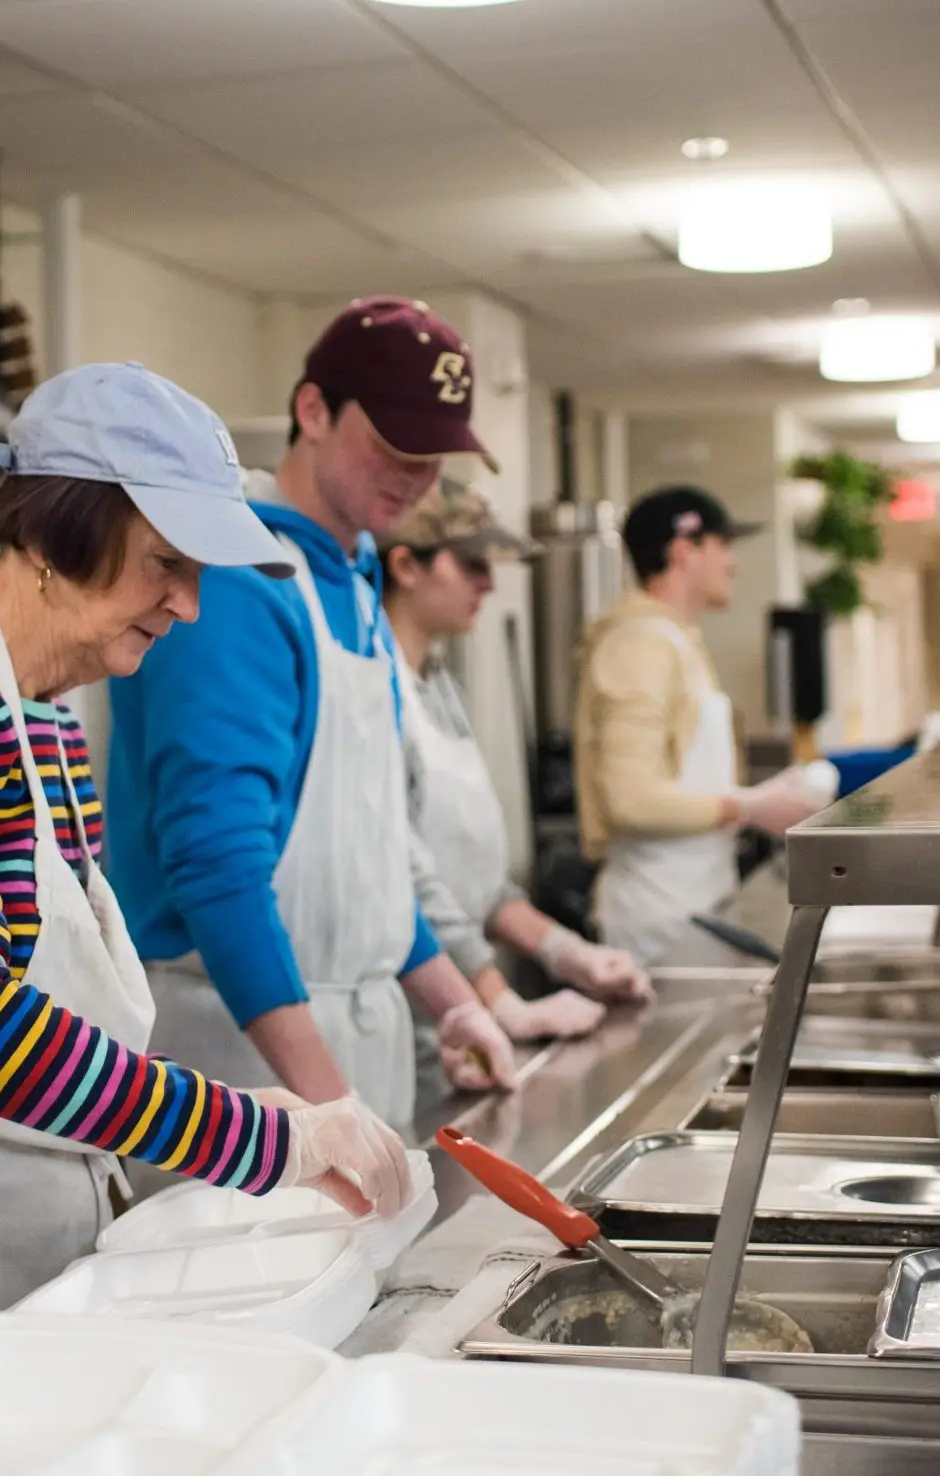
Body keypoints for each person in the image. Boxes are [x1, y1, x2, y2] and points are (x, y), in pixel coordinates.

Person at [0, 364, 413, 1409]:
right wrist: (263, 1133)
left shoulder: (49, 723)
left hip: (12, 1220)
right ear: (60, 534)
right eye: (167, 564)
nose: (190, 607)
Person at [107, 298, 520, 1132]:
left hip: (349, 1035)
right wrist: (327, 1106)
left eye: (434, 454)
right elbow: (217, 868)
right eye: (394, 443)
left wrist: (458, 1001)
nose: (416, 473)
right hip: (241, 1055)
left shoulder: (354, 573)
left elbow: (360, 860)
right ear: (312, 411)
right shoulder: (235, 576)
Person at [381, 483, 652, 1049]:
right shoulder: (374, 693)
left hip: (458, 1016)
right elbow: (400, 879)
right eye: (472, 563)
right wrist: (494, 997)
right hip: (413, 1013)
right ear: (405, 566)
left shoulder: (441, 688)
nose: (490, 583)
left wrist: (566, 952)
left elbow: (473, 878)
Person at [574, 485, 820, 965]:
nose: (734, 563)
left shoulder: (675, 639)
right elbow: (629, 799)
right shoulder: (639, 645)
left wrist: (759, 801)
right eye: (723, 546)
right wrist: (749, 807)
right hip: (657, 919)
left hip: (693, 901)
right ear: (684, 550)